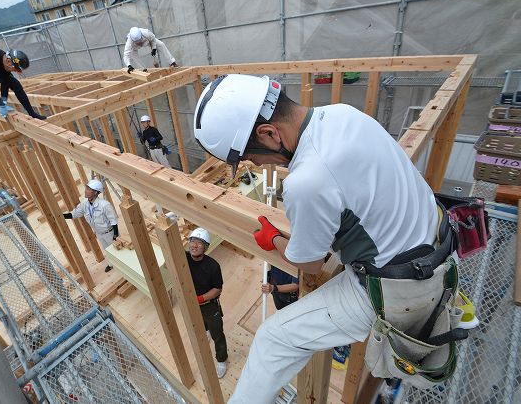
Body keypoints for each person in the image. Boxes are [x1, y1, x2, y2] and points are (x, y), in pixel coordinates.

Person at [194, 74, 453, 402]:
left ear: (269, 134)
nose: (255, 164)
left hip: (399, 288)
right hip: (435, 242)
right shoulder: (344, 114)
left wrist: (274, 239)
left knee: (271, 341)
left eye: (250, 156)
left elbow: (310, 264)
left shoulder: (307, 181)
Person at [187, 227, 228, 379]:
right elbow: (167, 264)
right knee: (201, 323)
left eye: (199, 243)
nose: (194, 245)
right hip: (191, 303)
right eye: (192, 241)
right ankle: (206, 330)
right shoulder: (183, 258)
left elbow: (217, 289)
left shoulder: (213, 266)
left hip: (209, 305)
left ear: (206, 247)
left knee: (218, 334)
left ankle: (222, 360)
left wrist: (200, 299)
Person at [63, 179, 118, 272]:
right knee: (107, 250)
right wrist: (61, 216)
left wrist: (115, 235)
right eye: (86, 188)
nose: (86, 190)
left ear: (96, 192)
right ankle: (111, 264)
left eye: (89, 189)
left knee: (117, 250)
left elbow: (113, 220)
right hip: (99, 233)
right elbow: (74, 214)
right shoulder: (85, 204)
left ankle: (122, 268)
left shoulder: (104, 205)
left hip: (110, 233)